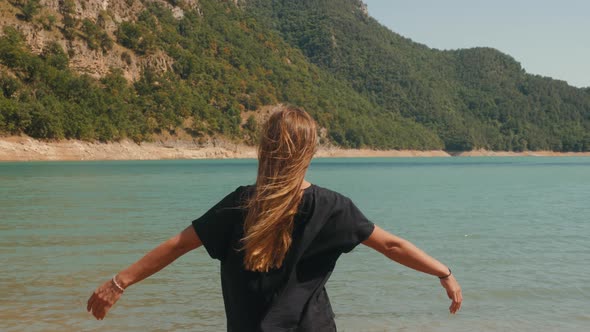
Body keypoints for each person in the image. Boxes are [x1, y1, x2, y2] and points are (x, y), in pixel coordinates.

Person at [87, 108, 462, 331]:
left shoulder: (240, 204)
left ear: (264, 148)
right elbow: (391, 245)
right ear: (309, 151)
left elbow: (179, 244)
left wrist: (119, 283)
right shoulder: (331, 207)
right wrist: (443, 273)